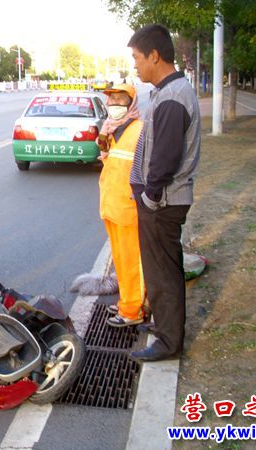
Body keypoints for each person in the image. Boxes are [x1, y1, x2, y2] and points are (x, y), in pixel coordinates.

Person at [126, 25, 201, 361]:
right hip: (161, 200)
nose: (135, 65)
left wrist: (150, 196)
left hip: (163, 202)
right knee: (159, 269)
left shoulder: (172, 97)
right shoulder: (167, 91)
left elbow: (165, 159)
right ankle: (164, 325)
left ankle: (170, 343)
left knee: (164, 272)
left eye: (136, 58)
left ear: (154, 56)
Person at [97, 84, 147, 328]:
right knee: (120, 261)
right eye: (112, 99)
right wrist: (103, 138)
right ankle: (125, 300)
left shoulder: (140, 130)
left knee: (131, 262)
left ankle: (133, 310)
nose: (115, 104)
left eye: (120, 100)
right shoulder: (111, 129)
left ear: (131, 104)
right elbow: (107, 155)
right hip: (111, 206)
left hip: (129, 209)